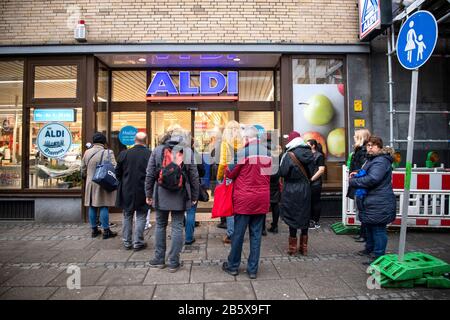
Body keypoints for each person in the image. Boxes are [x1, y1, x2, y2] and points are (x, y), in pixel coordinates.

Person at [145, 128, 199, 272]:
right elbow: (194, 175)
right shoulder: (187, 151)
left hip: (161, 193)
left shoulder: (157, 150)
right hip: (180, 196)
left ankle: (159, 259)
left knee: (161, 225)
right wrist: (194, 195)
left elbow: (150, 174)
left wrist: (148, 194)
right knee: (177, 226)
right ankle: (174, 262)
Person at [222, 126, 271, 279]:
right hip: (261, 199)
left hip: (244, 200)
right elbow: (272, 176)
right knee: (256, 235)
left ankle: (233, 266)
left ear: (246, 138)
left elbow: (230, 172)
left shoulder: (242, 153)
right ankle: (252, 270)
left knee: (238, 234)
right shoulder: (268, 153)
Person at [349, 136, 396, 265]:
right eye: (368, 145)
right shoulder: (373, 159)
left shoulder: (380, 161)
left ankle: (379, 257)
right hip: (372, 200)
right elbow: (368, 173)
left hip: (379, 201)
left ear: (379, 147)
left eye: (373, 145)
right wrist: (358, 172)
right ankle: (370, 250)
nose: (369, 147)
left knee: (378, 230)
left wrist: (354, 181)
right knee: (370, 227)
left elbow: (373, 179)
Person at [279, 131, 314, 256]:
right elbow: (312, 171)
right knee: (304, 215)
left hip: (291, 189)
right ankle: (304, 248)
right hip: (305, 187)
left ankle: (292, 248)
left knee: (292, 216)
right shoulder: (309, 152)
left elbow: (282, 172)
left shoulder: (289, 155)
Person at [115, 132, 151, 251]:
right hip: (143, 189)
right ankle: (138, 242)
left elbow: (117, 172)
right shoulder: (149, 154)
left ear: (134, 140)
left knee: (127, 215)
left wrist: (124, 181)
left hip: (127, 189)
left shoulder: (124, 154)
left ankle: (127, 241)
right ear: (145, 141)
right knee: (141, 216)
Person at [81, 132, 117, 239]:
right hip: (102, 182)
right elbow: (115, 167)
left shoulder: (87, 152)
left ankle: (94, 230)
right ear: (103, 142)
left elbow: (82, 169)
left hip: (90, 182)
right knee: (103, 205)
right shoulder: (108, 152)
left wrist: (86, 177)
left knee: (92, 206)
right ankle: (106, 231)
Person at [217, 120, 243, 244]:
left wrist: (219, 176)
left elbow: (223, 163)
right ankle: (239, 233)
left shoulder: (225, 143)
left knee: (229, 205)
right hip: (241, 176)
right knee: (239, 204)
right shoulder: (243, 143)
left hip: (228, 176)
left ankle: (231, 234)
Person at [348, 128, 371, 242]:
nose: (353, 138)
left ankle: (364, 234)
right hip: (358, 183)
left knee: (362, 209)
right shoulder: (360, 150)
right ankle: (362, 233)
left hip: (360, 184)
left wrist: (354, 174)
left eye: (355, 136)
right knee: (361, 209)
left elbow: (362, 168)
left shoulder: (362, 151)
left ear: (360, 138)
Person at [184, 138, 205, 245]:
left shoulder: (174, 152)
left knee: (179, 212)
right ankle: (188, 237)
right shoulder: (194, 154)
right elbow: (202, 171)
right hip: (192, 186)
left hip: (177, 187)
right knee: (191, 212)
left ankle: (179, 234)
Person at [262, 132, 281, 234]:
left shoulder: (261, 148)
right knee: (275, 203)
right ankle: (275, 226)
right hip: (275, 176)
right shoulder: (277, 149)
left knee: (264, 203)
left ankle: (262, 228)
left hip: (265, 176)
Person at [307, 139, 326, 229]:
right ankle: (310, 220)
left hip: (315, 183)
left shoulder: (319, 155)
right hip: (310, 183)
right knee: (310, 202)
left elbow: (321, 170)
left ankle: (315, 222)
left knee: (315, 202)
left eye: (307, 145)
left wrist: (311, 179)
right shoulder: (308, 155)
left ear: (313, 145)